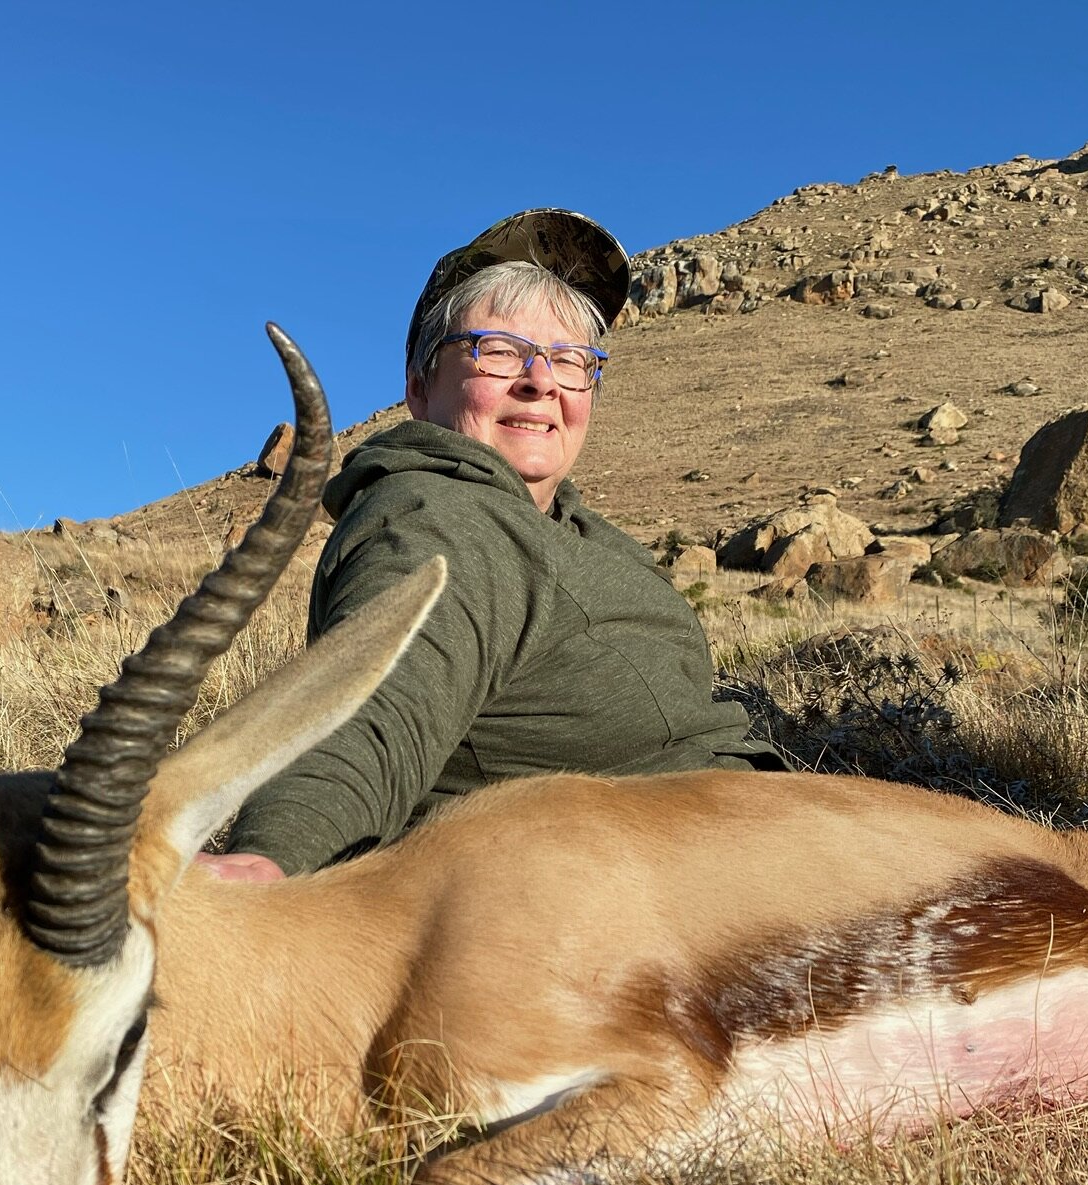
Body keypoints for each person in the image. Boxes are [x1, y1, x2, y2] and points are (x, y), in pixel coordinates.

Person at [200, 209, 776, 883]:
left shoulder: (573, 528)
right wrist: (271, 864)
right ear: (418, 387)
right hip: (686, 899)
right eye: (499, 350)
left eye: (569, 360)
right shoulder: (437, 515)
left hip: (744, 848)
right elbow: (378, 712)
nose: (541, 381)